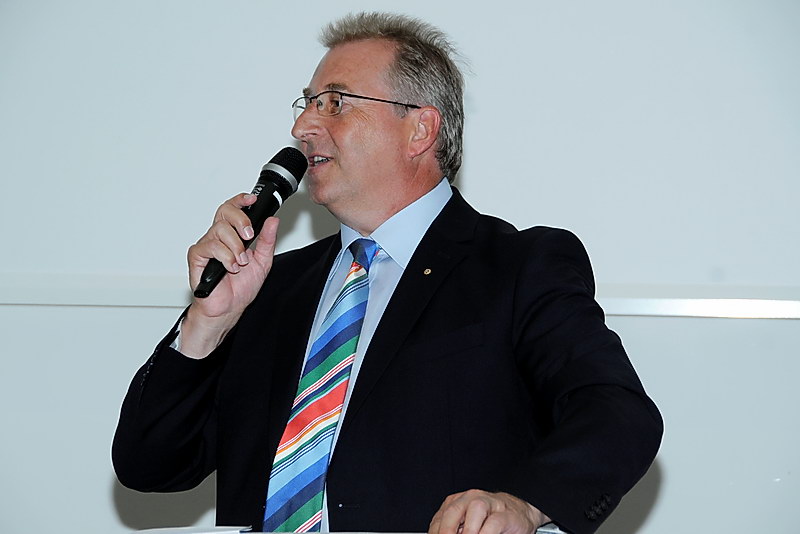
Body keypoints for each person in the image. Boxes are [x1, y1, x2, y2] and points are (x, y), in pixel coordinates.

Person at [113, 11, 662, 534]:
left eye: (335, 103)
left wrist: (523, 502)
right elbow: (150, 464)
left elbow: (616, 413)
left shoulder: (518, 267)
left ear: (420, 129)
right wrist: (207, 323)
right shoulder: (271, 286)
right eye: (307, 103)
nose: (302, 126)